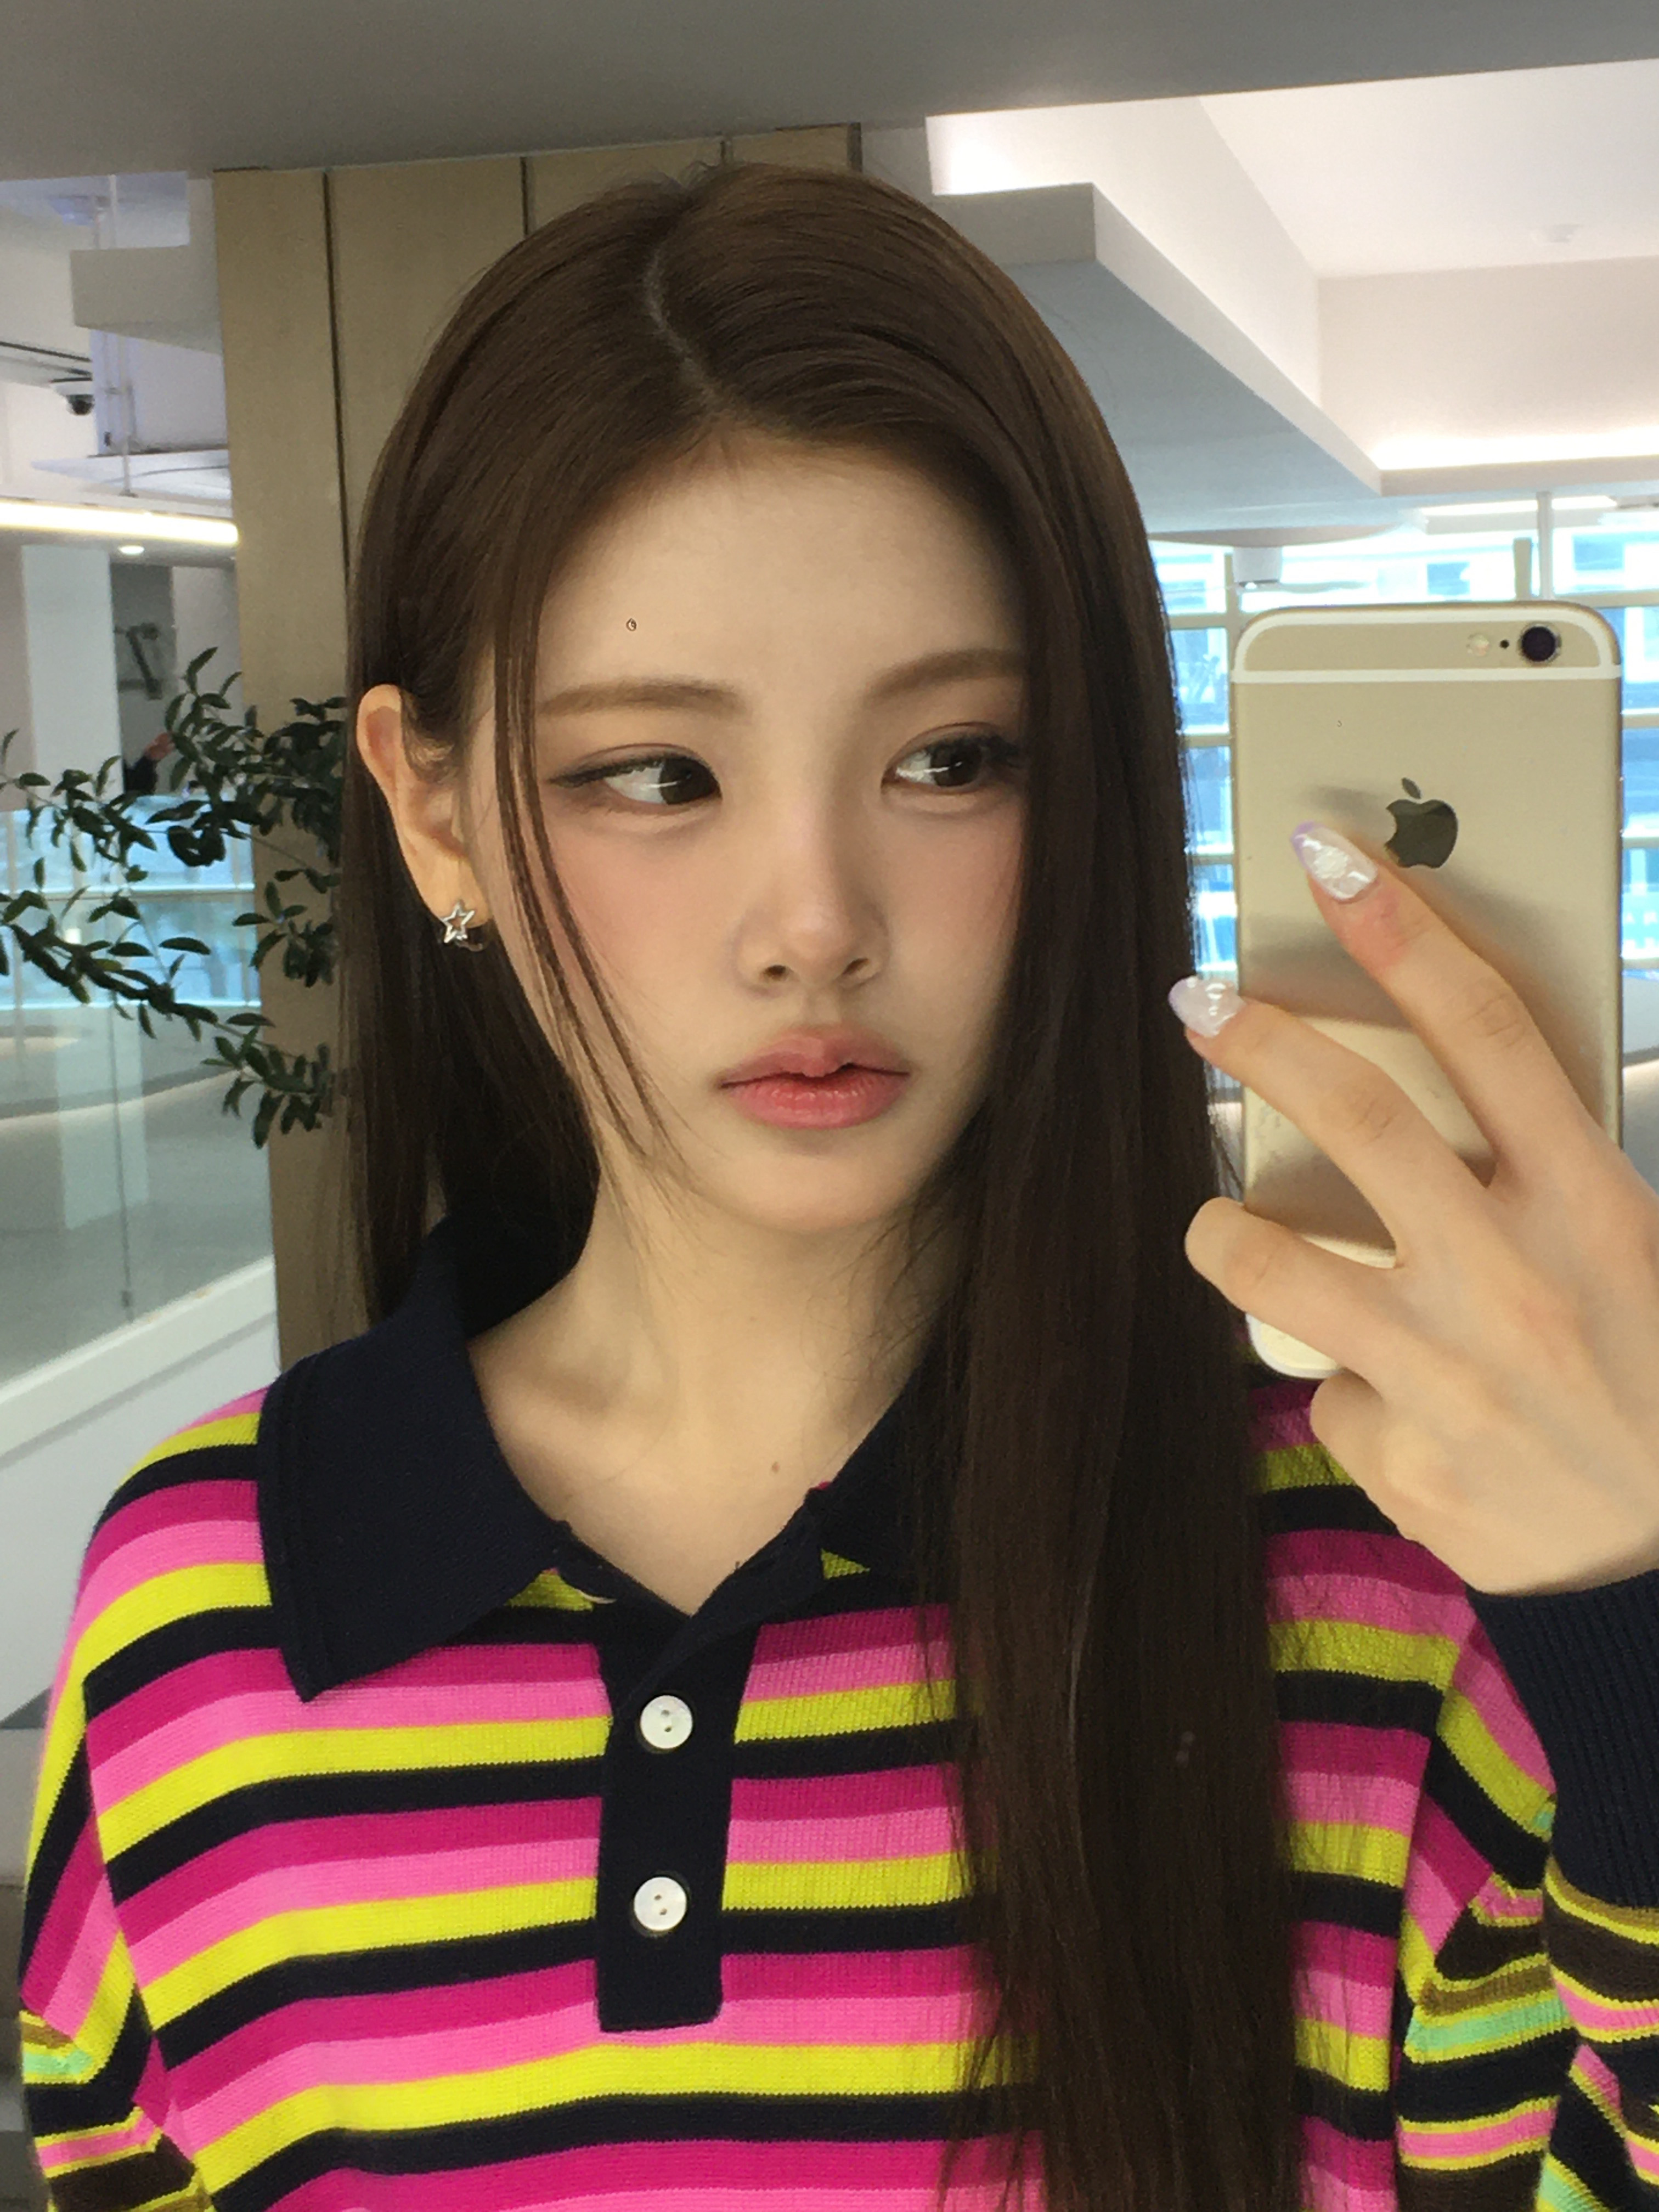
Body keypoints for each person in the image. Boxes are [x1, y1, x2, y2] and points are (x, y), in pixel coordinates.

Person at [16, 161, 1659, 2212]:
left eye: (952, 758)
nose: (815, 923)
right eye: (657, 775)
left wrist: (1626, 1614)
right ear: (436, 814)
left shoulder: (1391, 1572)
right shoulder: (199, 1607)